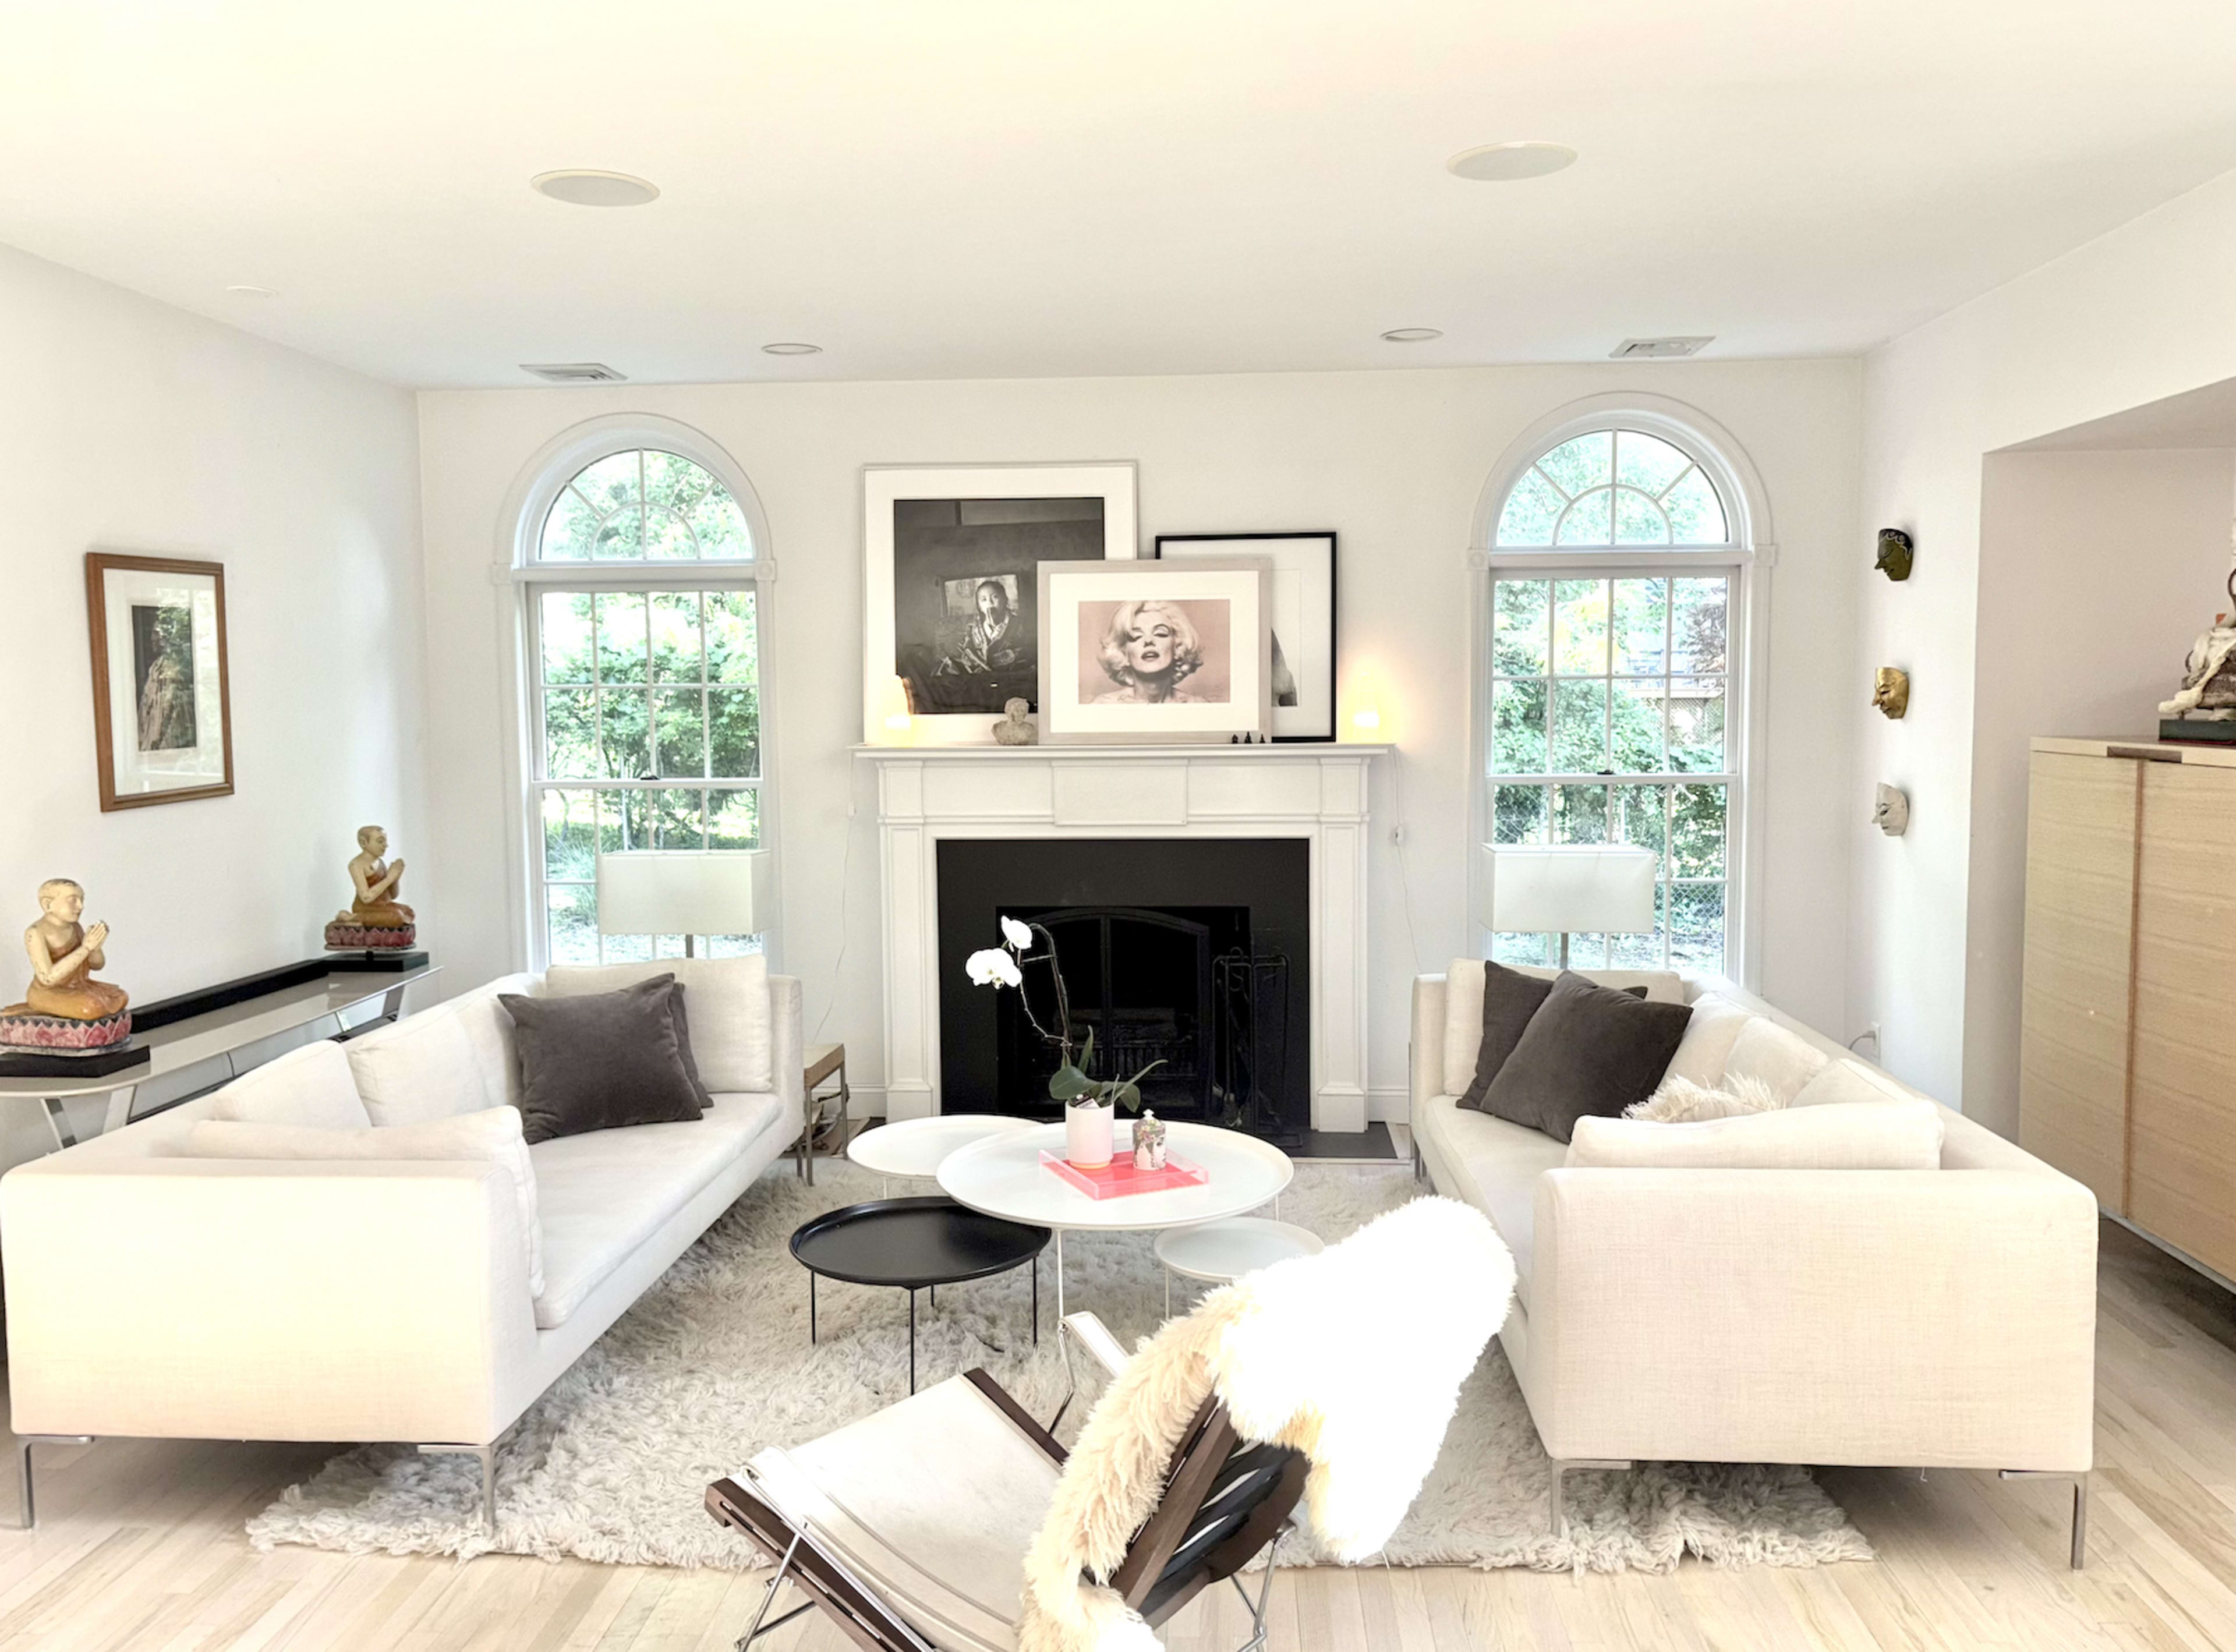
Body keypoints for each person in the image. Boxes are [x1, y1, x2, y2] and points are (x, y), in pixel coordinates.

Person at [21, 879, 129, 1022]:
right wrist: (85, 948)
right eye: (72, 900)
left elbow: (97, 965)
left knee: (121, 997)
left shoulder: (75, 927)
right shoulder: (36, 932)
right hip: (47, 992)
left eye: (82, 900)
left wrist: (95, 947)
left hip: (78, 987)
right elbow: (48, 978)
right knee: (91, 1008)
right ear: (48, 904)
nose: (80, 906)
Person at [1091, 599, 1208, 704]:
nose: (1148, 641)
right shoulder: (1102, 706)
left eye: (1160, 634)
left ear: (1177, 647)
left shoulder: (1199, 707)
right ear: (1123, 654)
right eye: (1136, 636)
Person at [933, 579, 1024, 675]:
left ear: (1005, 600)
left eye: (995, 597)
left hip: (1007, 669)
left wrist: (997, 629)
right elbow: (969, 649)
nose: (990, 602)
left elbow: (1020, 649)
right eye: (984, 600)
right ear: (980, 607)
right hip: (978, 666)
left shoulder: (1017, 623)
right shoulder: (973, 627)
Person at [337, 825, 414, 928]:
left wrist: (396, 877)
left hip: (382, 906)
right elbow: (366, 898)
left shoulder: (380, 862)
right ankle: (353, 917)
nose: (386, 845)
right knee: (397, 917)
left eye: (385, 841)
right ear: (364, 843)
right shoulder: (356, 865)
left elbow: (393, 895)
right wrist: (390, 878)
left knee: (409, 913)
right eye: (380, 841)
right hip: (365, 908)